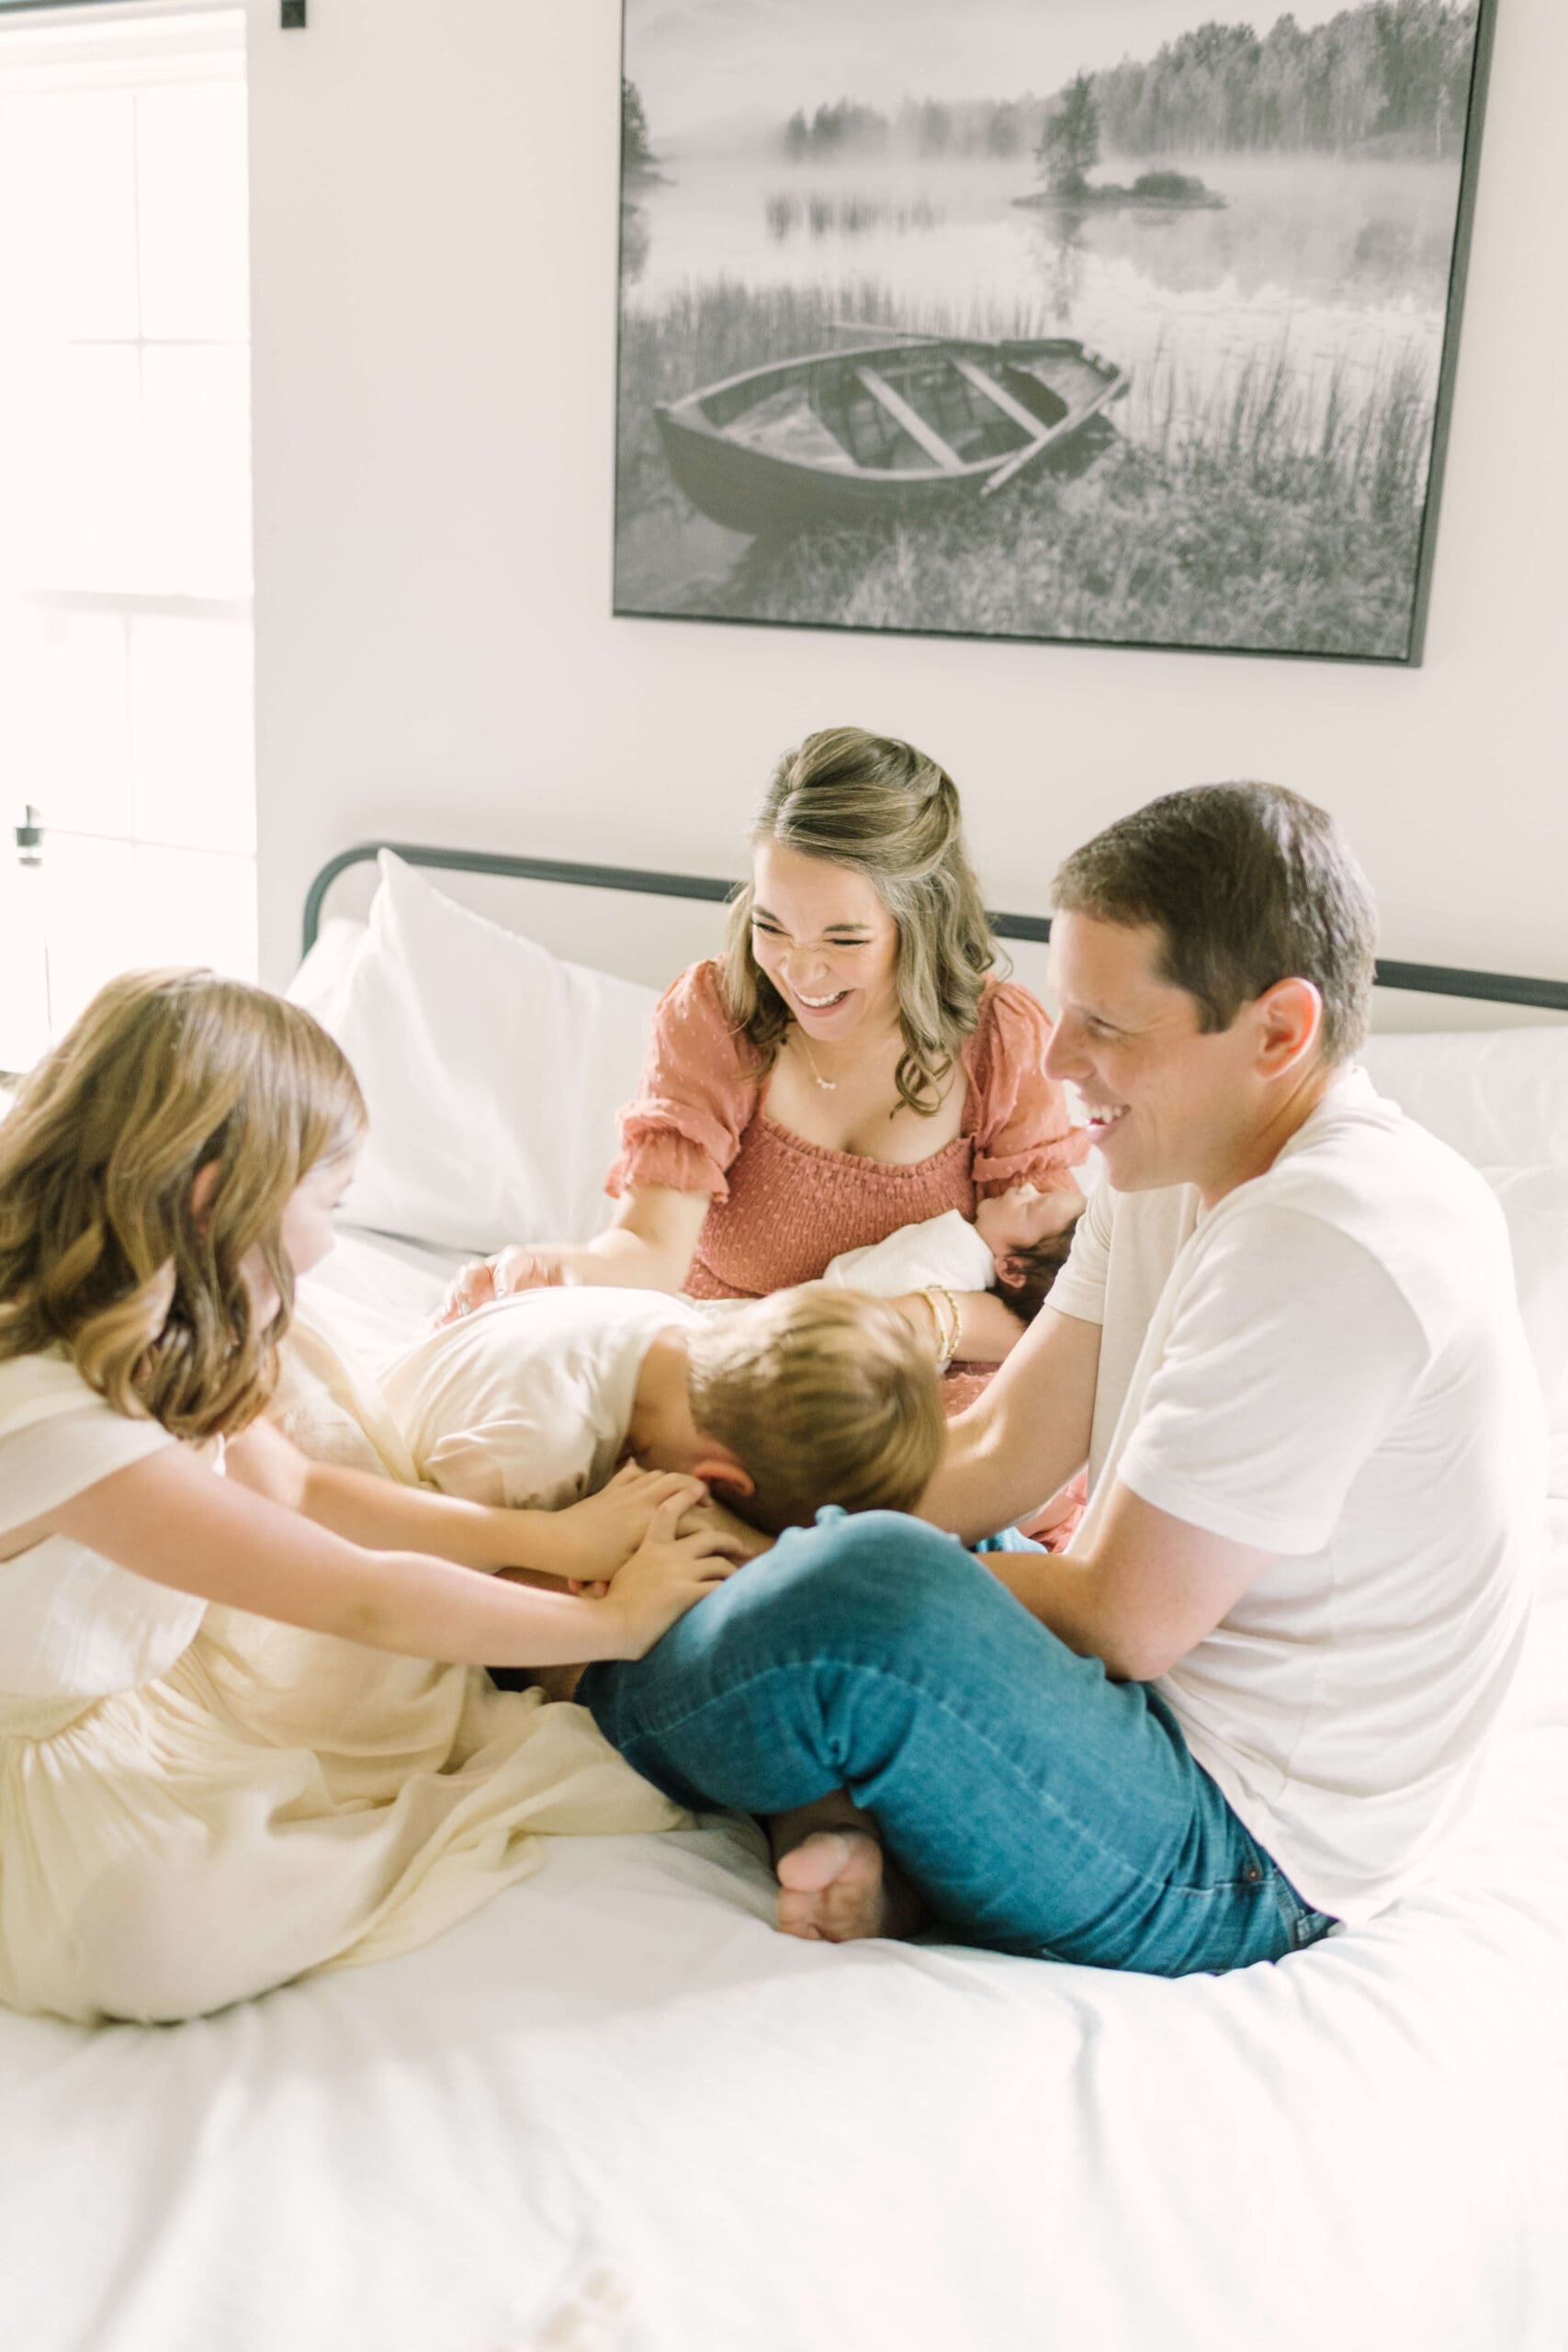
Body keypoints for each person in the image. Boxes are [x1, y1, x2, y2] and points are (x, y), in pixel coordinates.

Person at [570, 784, 1543, 1975]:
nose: (1055, 1056)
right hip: (1152, 1708)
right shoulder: (1167, 1161)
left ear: (1276, 1031)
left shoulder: (1332, 1235)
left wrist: (769, 1565)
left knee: (860, 1591)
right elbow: (991, 1461)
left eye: (1104, 1024)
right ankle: (862, 1836)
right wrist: (749, 1502)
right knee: (863, 1520)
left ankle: (572, 1662)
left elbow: (1125, 1619)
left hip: (1247, 1850)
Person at [0, 971, 746, 2025]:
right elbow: (354, 1593)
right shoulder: (56, 1412)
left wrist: (547, 1530)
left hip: (108, 1695)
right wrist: (611, 1621)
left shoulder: (149, 1320)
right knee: (154, 1931)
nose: (332, 1244)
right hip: (22, 1754)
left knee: (357, 1657)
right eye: (328, 1201)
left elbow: (301, 1489)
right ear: (220, 1194)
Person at [439, 727, 1089, 1392]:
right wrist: (555, 1269)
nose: (800, 972)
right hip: (723, 1364)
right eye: (771, 926)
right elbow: (648, 1250)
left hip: (918, 1382)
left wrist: (899, 1326)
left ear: (919, 923)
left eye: (844, 937)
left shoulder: (1000, 1040)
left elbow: (1063, 1305)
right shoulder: (715, 1015)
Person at [380, 1281, 943, 1534]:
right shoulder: (539, 1450)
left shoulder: (667, 1322)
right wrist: (568, 1549)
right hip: (394, 1488)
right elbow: (418, 1546)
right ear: (715, 1482)